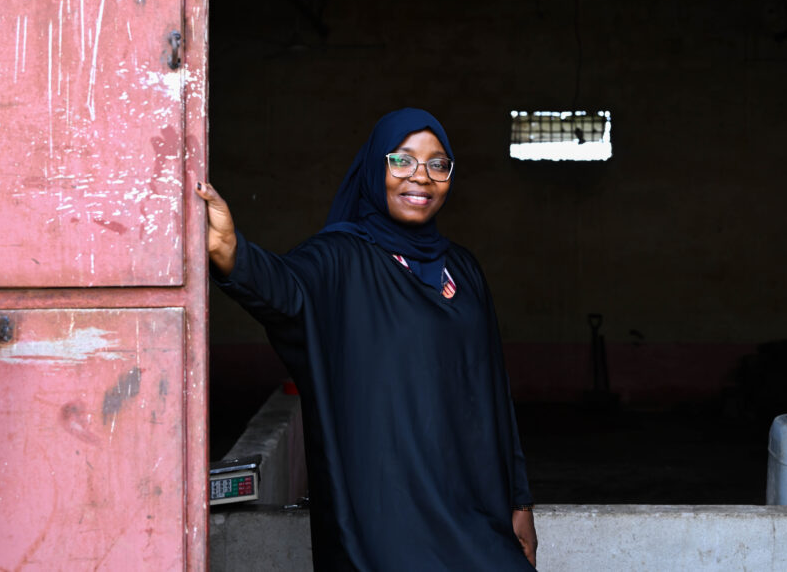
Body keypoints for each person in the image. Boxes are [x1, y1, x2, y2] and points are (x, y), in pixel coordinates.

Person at [196, 108, 538, 571]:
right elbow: (283, 289)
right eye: (403, 160)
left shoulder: (464, 270)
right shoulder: (340, 259)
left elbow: (494, 390)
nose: (421, 176)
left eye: (437, 164)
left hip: (474, 503)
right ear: (376, 167)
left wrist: (519, 500)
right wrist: (228, 249)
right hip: (387, 509)